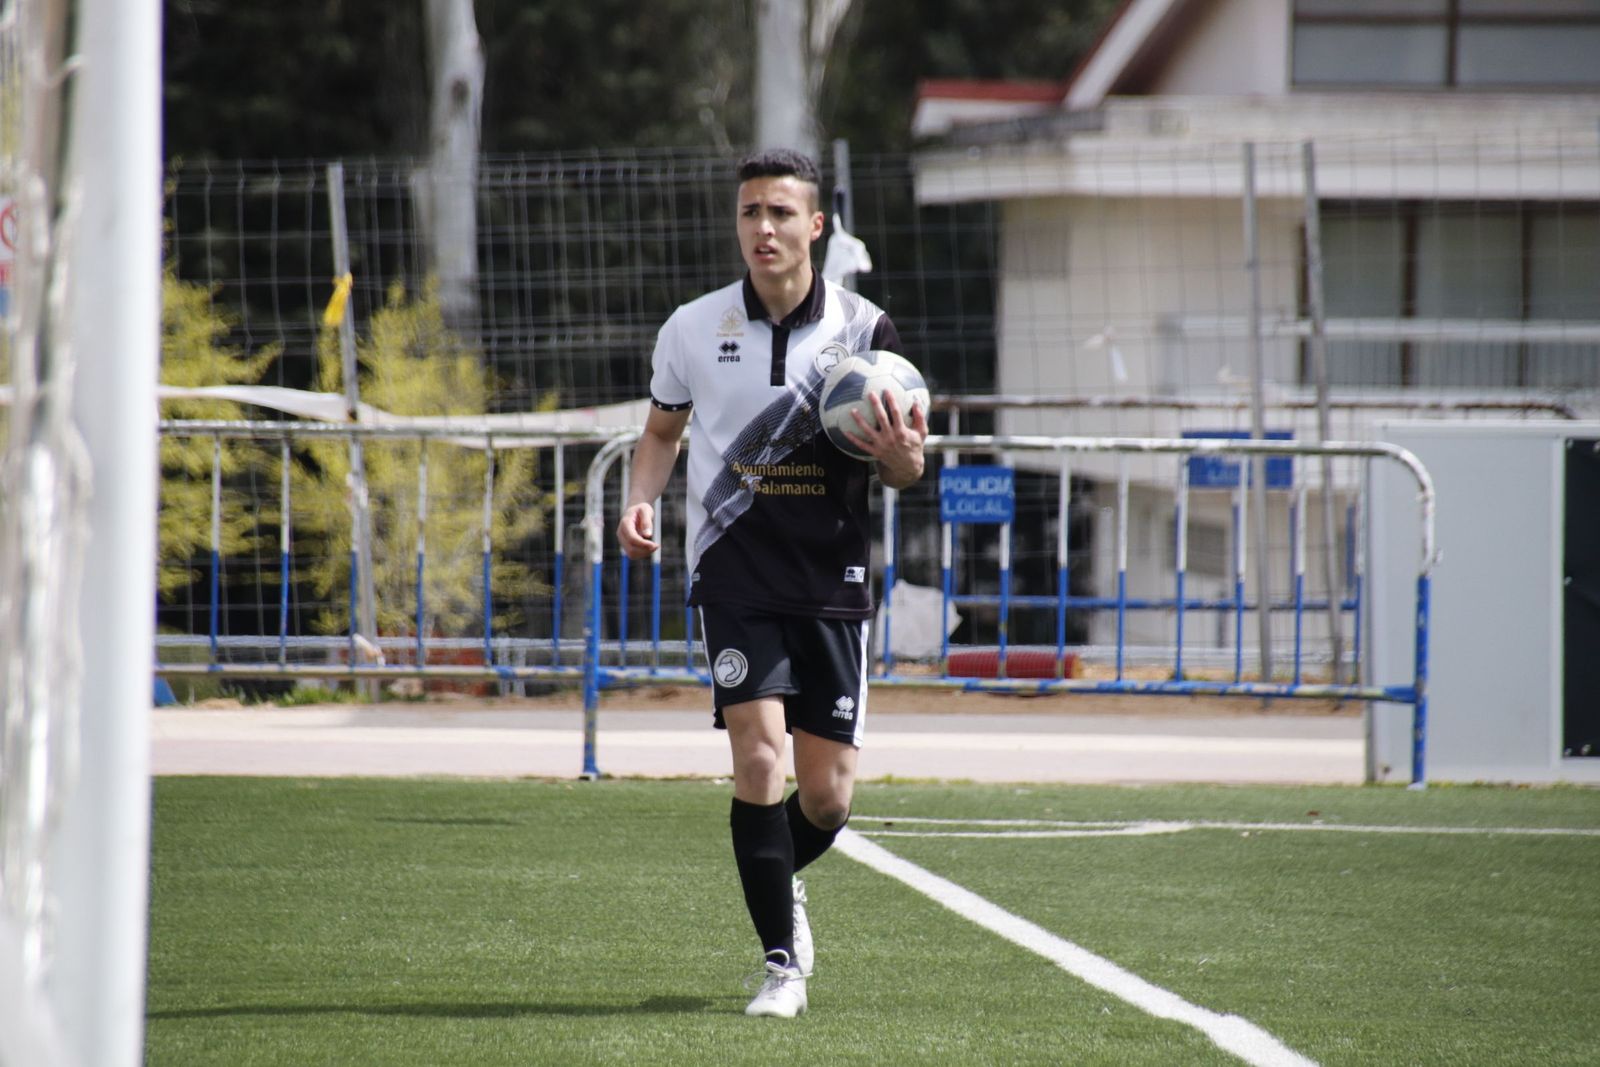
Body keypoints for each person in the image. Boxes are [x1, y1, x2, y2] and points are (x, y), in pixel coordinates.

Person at [616, 148, 927, 1018]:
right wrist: (639, 499)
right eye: (751, 212)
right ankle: (781, 965)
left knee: (827, 797)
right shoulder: (691, 327)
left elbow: (908, 468)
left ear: (815, 226)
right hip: (734, 570)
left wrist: (904, 456)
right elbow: (661, 432)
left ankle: (779, 874)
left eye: (782, 213)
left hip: (831, 578)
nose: (764, 228)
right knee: (758, 758)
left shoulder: (867, 335)